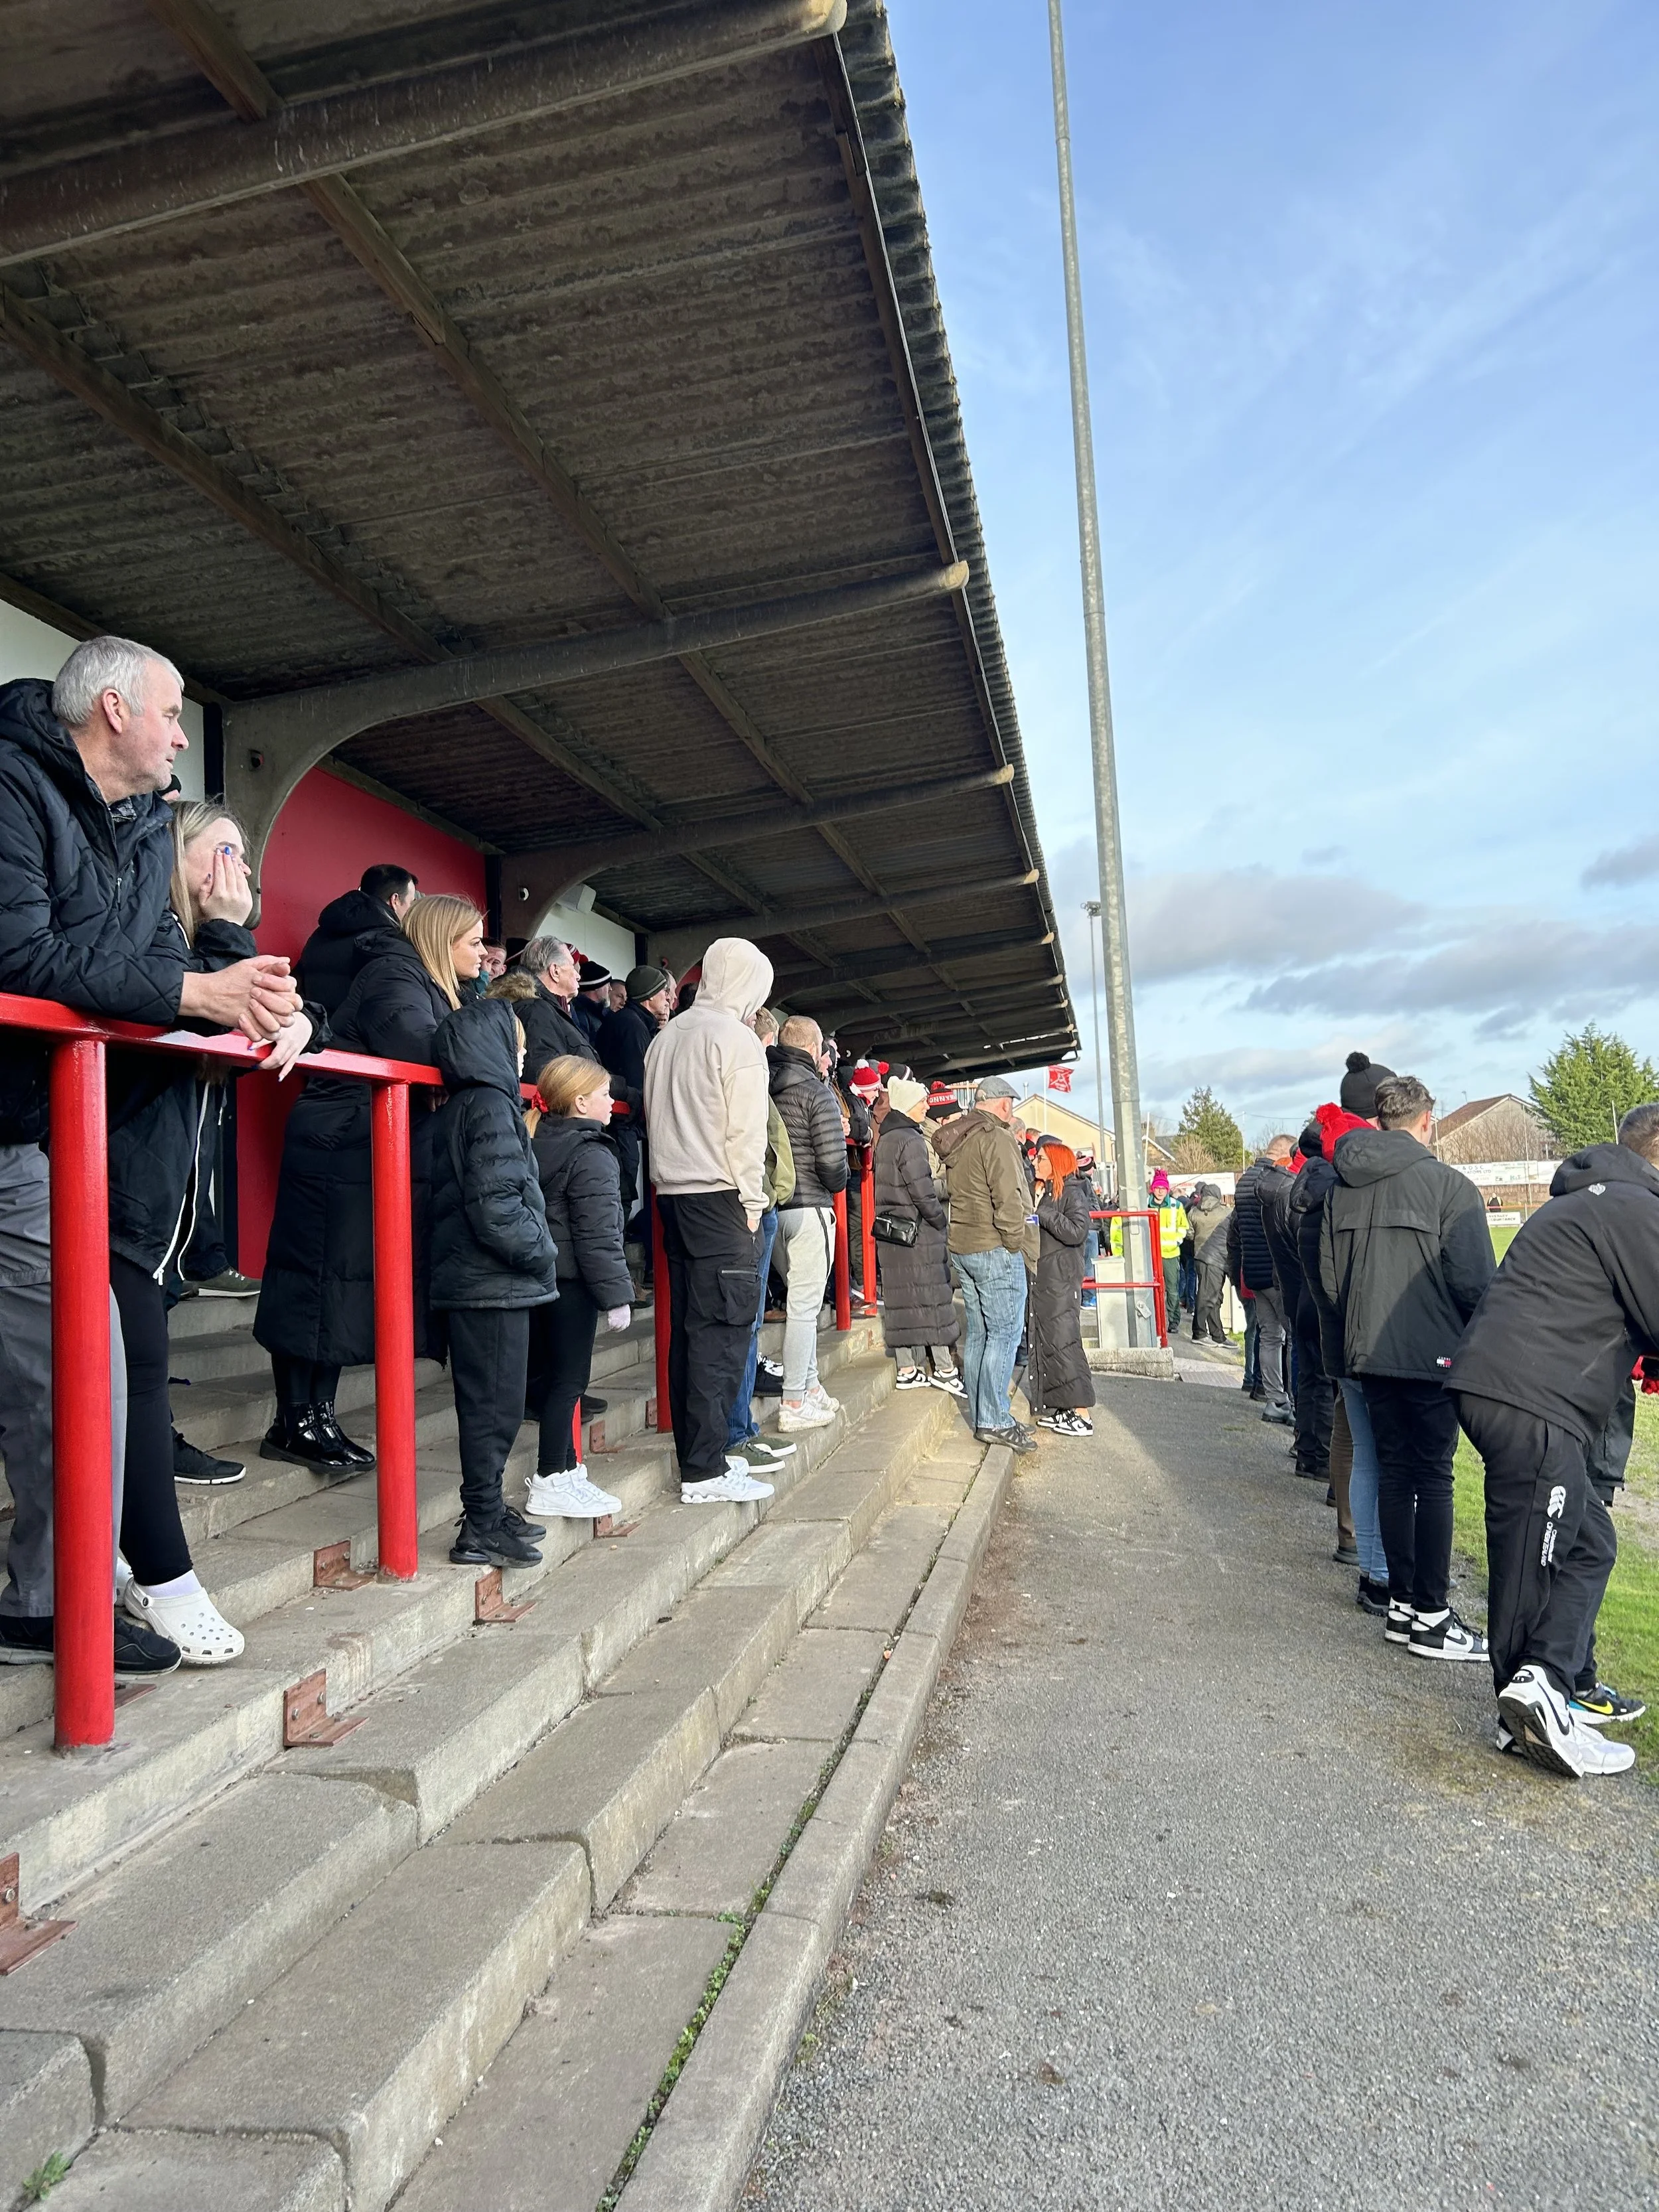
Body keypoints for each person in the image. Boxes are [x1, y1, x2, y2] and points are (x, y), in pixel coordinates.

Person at [0, 638, 297, 1676]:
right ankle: (64, 1593)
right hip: (22, 1129)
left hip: (48, 1132)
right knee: (75, 1372)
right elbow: (20, 954)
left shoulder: (128, 821)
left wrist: (234, 986)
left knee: (82, 1371)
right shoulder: (11, 782)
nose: (183, 733)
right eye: (173, 714)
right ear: (114, 710)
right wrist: (197, 995)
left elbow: (147, 963)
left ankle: (55, 1593)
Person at [113, 802, 323, 1664]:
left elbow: (278, 1013)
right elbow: (221, 1010)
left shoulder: (207, 947)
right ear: (176, 858)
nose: (234, 870)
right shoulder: (155, 931)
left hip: (152, 1219)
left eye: (243, 854)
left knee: (128, 1385)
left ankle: (121, 1567)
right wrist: (236, 934)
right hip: (110, 1198)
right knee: (136, 1385)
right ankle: (164, 1579)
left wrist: (303, 1023)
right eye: (220, 852)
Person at [1448, 1105, 1659, 1779]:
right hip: (1533, 1398)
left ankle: (1542, 1693)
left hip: (1510, 1387)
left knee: (1588, 1546)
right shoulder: (1630, 1206)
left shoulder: (1588, 1199)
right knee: (1530, 1562)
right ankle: (1532, 1700)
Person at [256, 893, 485, 1470]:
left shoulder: (425, 979)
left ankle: (318, 1416)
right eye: (475, 941)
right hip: (334, 1144)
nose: (485, 953)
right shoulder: (394, 972)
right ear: (442, 939)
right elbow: (428, 1046)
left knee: (338, 1285)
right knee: (315, 1281)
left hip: (355, 1145)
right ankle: (294, 1421)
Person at [1321, 1074, 1494, 1662]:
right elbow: (1476, 1283)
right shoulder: (1449, 1186)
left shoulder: (1341, 1187)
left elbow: (1329, 1276)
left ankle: (1402, 1604)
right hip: (1430, 1354)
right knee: (1432, 1478)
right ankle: (1431, 1612)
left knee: (1396, 1473)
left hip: (1369, 1351)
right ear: (1426, 1120)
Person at [643, 938, 776, 1502]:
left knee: (688, 1333)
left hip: (672, 1196)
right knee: (721, 1336)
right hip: (723, 1196)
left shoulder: (665, 1036)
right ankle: (706, 1468)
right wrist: (752, 1204)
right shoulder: (738, 1041)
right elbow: (746, 1135)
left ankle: (700, 1458)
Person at [427, 997, 557, 1566]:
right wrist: (543, 1249)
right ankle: (479, 1523)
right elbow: (496, 1205)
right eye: (519, 1043)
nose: (524, 1054)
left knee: (494, 1408)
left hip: (482, 1281)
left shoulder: (471, 1102)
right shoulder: (488, 1106)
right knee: (493, 1410)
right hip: (489, 1283)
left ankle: (488, 1511)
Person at [524, 1053, 631, 1522]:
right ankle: (551, 1475)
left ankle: (566, 1469)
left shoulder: (534, 1139)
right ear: (582, 1100)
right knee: (569, 1382)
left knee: (554, 1380)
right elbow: (598, 1235)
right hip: (572, 1283)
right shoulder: (591, 1153)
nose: (613, 1102)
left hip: (541, 1278)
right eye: (605, 1094)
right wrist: (617, 1295)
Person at [1295, 1104, 1386, 1605]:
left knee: (1347, 1429)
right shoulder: (1339, 1197)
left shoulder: (1309, 1191)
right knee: (1365, 1441)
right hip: (1350, 1331)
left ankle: (1351, 1532)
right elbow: (1341, 1278)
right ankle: (1364, 1546)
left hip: (1325, 1324)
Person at [934, 1076, 1038, 1453]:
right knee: (1005, 1334)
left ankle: (984, 1415)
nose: (1012, 1109)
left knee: (979, 1333)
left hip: (963, 1246)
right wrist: (1014, 1242)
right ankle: (994, 1419)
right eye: (1011, 1102)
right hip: (994, 1247)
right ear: (1002, 1104)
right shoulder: (997, 1137)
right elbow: (1010, 1197)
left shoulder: (960, 1136)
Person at [723, 1027, 800, 1477]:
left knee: (748, 1327)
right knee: (741, 1327)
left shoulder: (757, 1080)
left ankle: (744, 1428)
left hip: (763, 1203)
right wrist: (763, 1198)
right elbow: (757, 1142)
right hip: (749, 1207)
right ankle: (737, 1433)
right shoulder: (740, 1076)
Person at [768, 1015, 849, 1432]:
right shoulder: (817, 1092)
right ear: (816, 1049)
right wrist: (841, 1179)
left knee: (800, 1303)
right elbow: (834, 1165)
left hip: (773, 1209)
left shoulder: (765, 1080)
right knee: (805, 1309)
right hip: (812, 1206)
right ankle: (794, 1401)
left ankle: (812, 1387)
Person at [874, 1074, 960, 1394]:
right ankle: (944, 1369)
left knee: (901, 1302)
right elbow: (923, 1191)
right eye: (922, 1100)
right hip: (918, 1232)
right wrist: (939, 1221)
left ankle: (907, 1368)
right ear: (909, 1105)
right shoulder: (911, 1140)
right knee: (932, 1299)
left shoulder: (886, 1138)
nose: (927, 1105)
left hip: (893, 1231)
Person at [1263, 1133, 1332, 1479]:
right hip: (1311, 1296)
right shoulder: (1313, 1197)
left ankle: (1306, 1450)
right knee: (1321, 1380)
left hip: (1294, 1293)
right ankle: (1318, 1456)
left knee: (1306, 1375)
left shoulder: (1289, 1193)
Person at [1027, 1139, 1096, 1436]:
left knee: (1065, 1342)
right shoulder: (1047, 1193)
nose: (1034, 1163)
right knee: (1052, 1343)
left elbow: (1077, 1231)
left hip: (1061, 1281)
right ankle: (1063, 1407)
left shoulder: (1072, 1193)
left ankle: (1081, 1413)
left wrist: (1044, 1215)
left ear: (1055, 1162)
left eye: (1040, 1158)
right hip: (1045, 1279)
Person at [296, 862, 417, 1016]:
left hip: (308, 1024)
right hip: (343, 1036)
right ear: (395, 900)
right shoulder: (388, 943)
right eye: (411, 903)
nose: (412, 911)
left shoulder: (323, 930)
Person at [597, 963, 672, 1213]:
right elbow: (637, 1082)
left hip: (617, 1122)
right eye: (663, 993)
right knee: (622, 1197)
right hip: (621, 1124)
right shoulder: (633, 1027)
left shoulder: (628, 1022)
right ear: (650, 997)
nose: (668, 998)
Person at [1234, 1138, 1295, 1423]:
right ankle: (1294, 1402)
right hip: (1276, 1272)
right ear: (1283, 1155)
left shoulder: (1244, 1182)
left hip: (1253, 1273)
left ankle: (1275, 1399)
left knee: (1269, 1337)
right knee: (1292, 1337)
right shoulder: (1277, 1183)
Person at [507, 938, 589, 1073]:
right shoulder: (535, 1012)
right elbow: (547, 1076)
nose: (578, 976)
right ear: (555, 972)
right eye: (572, 966)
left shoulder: (549, 1010)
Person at [1185, 1183, 1231, 1345]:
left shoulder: (1193, 1213)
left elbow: (1189, 1234)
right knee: (1210, 1297)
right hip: (1219, 1257)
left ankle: (1217, 1334)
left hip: (1200, 1257)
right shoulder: (1226, 1213)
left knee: (1210, 1295)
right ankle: (1199, 1333)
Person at [1148, 1168, 1183, 1329]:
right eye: (1157, 1188)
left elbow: (1183, 1227)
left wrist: (1176, 1241)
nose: (1160, 1191)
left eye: (1163, 1188)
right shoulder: (1145, 1205)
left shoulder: (1177, 1206)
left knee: (1172, 1290)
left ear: (1167, 1190)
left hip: (1170, 1255)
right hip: (1151, 1256)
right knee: (1154, 1291)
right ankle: (1155, 1321)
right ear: (1153, 1189)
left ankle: (1173, 1321)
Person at [572, 960, 613, 1047]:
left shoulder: (603, 1011)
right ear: (596, 987)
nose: (610, 989)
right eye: (607, 984)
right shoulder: (580, 1015)